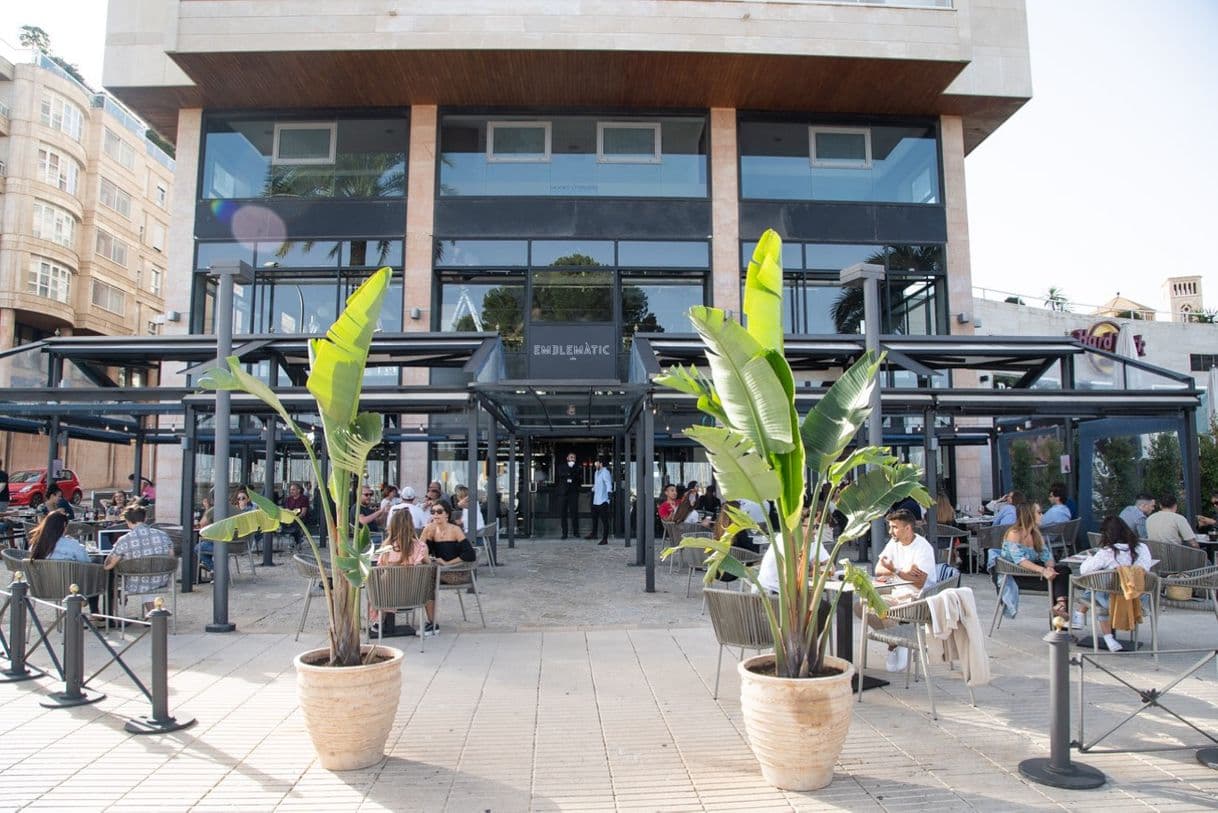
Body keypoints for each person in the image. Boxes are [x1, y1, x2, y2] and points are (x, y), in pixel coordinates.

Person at [868, 509, 937, 672]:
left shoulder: (922, 548)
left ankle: (898, 643)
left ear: (908, 528)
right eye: (890, 527)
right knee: (861, 606)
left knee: (880, 606)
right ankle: (896, 642)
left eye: (894, 527)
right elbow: (878, 569)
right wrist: (902, 572)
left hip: (916, 599)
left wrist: (895, 570)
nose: (890, 531)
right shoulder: (894, 543)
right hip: (898, 592)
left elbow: (919, 583)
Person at [1075, 516, 1153, 652]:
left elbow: (1084, 570)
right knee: (1101, 584)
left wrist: (1089, 558)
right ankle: (1080, 615)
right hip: (1138, 597)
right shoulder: (1143, 548)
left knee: (1097, 586)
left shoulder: (1107, 552)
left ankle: (1103, 633)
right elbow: (1145, 569)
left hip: (1110, 601)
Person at [999, 502, 1070, 621]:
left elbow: (1047, 556)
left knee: (1063, 570)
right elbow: (1021, 561)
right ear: (1029, 515)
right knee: (1058, 580)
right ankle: (1059, 622)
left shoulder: (1036, 534)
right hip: (1017, 576)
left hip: (1033, 573)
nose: (1042, 515)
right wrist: (1043, 570)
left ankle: (1060, 606)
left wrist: (1050, 568)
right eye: (1039, 512)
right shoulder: (1014, 534)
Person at [417, 499, 476, 636]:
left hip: (457, 573)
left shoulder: (455, 530)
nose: (435, 515)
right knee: (425, 578)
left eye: (439, 511)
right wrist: (425, 534)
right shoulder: (431, 530)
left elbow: (470, 554)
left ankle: (432, 623)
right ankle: (432, 623)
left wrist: (448, 563)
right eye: (433, 512)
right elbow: (420, 551)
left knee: (427, 579)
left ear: (447, 514)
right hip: (440, 572)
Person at [368, 509, 431, 635]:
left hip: (387, 598)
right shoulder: (421, 547)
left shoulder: (386, 547)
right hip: (413, 596)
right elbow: (428, 566)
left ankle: (378, 622)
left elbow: (380, 567)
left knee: (376, 583)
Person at [105, 504, 174, 618]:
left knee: (119, 578)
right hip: (162, 579)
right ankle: (154, 613)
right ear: (145, 518)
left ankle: (114, 616)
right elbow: (171, 556)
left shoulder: (125, 540)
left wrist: (113, 554)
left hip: (137, 582)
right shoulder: (162, 535)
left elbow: (108, 566)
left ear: (127, 520)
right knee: (146, 574)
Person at [587, 456, 614, 545]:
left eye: (597, 462)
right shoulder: (596, 472)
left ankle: (605, 539)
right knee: (594, 518)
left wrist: (609, 494)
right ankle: (594, 534)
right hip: (596, 500)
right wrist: (592, 489)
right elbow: (597, 484)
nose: (595, 464)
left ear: (601, 463)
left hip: (603, 500)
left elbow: (608, 483)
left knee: (604, 520)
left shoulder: (605, 472)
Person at [556, 452, 581, 539]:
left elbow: (578, 477)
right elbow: (560, 474)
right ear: (567, 458)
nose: (572, 458)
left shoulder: (577, 467)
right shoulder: (561, 466)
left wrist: (568, 475)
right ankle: (564, 533)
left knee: (574, 513)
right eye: (571, 457)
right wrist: (570, 474)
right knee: (563, 514)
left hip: (573, 493)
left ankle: (576, 532)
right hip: (563, 493)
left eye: (574, 457)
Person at [282, 482, 310, 549]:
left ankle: (296, 540)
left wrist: (296, 518)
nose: (291, 491)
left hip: (300, 518)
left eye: (293, 489)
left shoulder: (304, 499)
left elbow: (303, 512)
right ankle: (295, 539)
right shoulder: (288, 499)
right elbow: (286, 510)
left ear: (298, 490)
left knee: (295, 524)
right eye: (291, 490)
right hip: (290, 518)